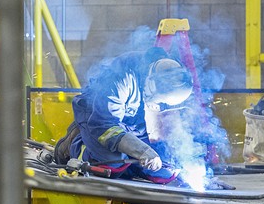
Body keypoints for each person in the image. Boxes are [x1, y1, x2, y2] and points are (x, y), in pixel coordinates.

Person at [54, 47, 193, 184]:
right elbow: (104, 126)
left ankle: (127, 166)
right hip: (98, 117)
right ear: (151, 83)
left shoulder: (173, 74)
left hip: (135, 125)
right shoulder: (121, 75)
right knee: (110, 165)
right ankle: (75, 143)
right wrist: (142, 151)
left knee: (168, 170)